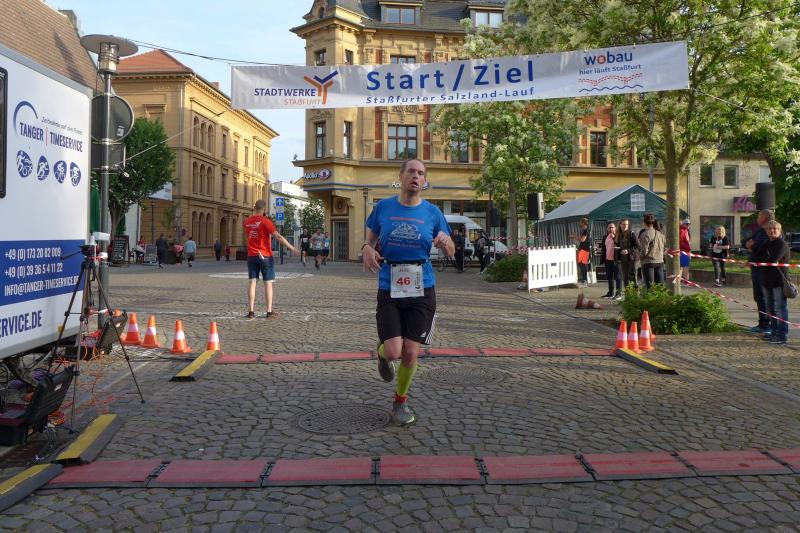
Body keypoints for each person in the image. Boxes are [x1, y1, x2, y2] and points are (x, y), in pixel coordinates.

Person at [362, 159, 454, 427]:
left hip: (421, 287)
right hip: (390, 285)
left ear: (424, 181)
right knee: (393, 352)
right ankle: (382, 355)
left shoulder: (433, 213)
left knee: (411, 353)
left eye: (421, 173)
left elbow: (451, 251)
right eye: (411, 171)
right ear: (401, 176)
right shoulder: (383, 207)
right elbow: (369, 239)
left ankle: (400, 401)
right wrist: (366, 248)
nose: (416, 176)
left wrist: (446, 243)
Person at [244, 199, 299, 319]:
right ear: (264, 209)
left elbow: (248, 237)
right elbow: (278, 237)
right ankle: (269, 312)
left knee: (252, 282)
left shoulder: (247, 221)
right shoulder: (266, 221)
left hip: (252, 255)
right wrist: (292, 248)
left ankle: (251, 311)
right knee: (268, 283)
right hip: (265, 255)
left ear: (254, 208)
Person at [760, 220, 790, 344]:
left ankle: (782, 335)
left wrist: (765, 261)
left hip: (778, 281)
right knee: (770, 308)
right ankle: (774, 332)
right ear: (766, 231)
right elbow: (757, 256)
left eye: (775, 229)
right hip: (767, 280)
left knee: (780, 308)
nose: (772, 231)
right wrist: (764, 260)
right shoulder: (767, 243)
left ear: (779, 230)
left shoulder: (782, 244)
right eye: (769, 228)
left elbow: (772, 260)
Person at [746, 209, 775, 334]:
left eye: (759, 216)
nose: (757, 218)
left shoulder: (769, 231)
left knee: (765, 297)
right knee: (758, 296)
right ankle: (762, 323)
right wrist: (751, 245)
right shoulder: (759, 230)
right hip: (755, 268)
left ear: (764, 218)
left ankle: (768, 325)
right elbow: (746, 241)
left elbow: (761, 249)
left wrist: (752, 246)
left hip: (764, 270)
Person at [638, 214, 666, 289]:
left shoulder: (645, 234)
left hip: (648, 262)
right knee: (660, 287)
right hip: (660, 262)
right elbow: (664, 248)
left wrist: (639, 258)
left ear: (644, 223)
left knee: (650, 287)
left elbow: (644, 251)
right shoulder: (660, 234)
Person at [600, 222, 622, 299]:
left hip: (616, 260)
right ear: (607, 228)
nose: (610, 229)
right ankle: (610, 293)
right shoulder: (605, 237)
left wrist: (614, 238)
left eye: (612, 227)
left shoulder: (618, 236)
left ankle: (619, 293)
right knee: (609, 277)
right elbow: (604, 248)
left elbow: (620, 245)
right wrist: (603, 259)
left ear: (615, 228)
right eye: (609, 227)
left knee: (618, 277)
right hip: (608, 260)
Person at [616, 219, 640, 289]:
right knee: (625, 278)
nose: (625, 226)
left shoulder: (632, 233)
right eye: (623, 224)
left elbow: (637, 246)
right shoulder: (618, 235)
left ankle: (635, 294)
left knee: (632, 277)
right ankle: (627, 294)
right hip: (623, 259)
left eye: (626, 224)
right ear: (620, 225)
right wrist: (619, 249)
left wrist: (628, 250)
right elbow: (618, 246)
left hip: (633, 259)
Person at [570, 218, 591, 286]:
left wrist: (575, 236)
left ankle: (585, 280)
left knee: (582, 264)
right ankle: (584, 279)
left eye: (580, 222)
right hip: (583, 249)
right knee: (581, 264)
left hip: (584, 249)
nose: (579, 224)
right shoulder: (585, 230)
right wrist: (575, 236)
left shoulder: (586, 230)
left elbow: (582, 240)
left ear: (583, 223)